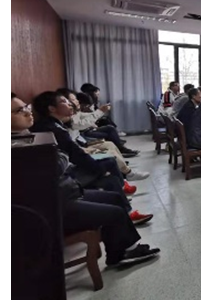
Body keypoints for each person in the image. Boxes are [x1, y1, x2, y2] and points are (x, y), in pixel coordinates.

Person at [12, 93, 160, 266]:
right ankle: (122, 253)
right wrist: (64, 158)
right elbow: (58, 162)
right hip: (52, 206)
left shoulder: (28, 135)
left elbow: (61, 157)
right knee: (114, 208)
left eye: (27, 107)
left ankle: (122, 248)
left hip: (65, 190)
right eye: (19, 110)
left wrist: (61, 157)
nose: (27, 112)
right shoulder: (29, 139)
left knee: (114, 196)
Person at [24, 92, 153, 225]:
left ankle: (125, 199)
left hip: (71, 166)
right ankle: (126, 198)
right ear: (52, 108)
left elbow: (75, 151)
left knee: (109, 167)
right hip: (67, 177)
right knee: (108, 164)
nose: (70, 104)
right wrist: (98, 169)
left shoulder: (55, 124)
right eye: (65, 102)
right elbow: (76, 155)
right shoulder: (52, 129)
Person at [58, 89, 149, 181]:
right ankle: (127, 173)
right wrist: (100, 111)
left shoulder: (71, 116)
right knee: (109, 154)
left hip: (80, 146)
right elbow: (79, 126)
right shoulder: (62, 123)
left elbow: (85, 117)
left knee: (109, 144)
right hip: (79, 155)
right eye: (72, 100)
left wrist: (99, 111)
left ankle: (125, 171)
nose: (77, 101)